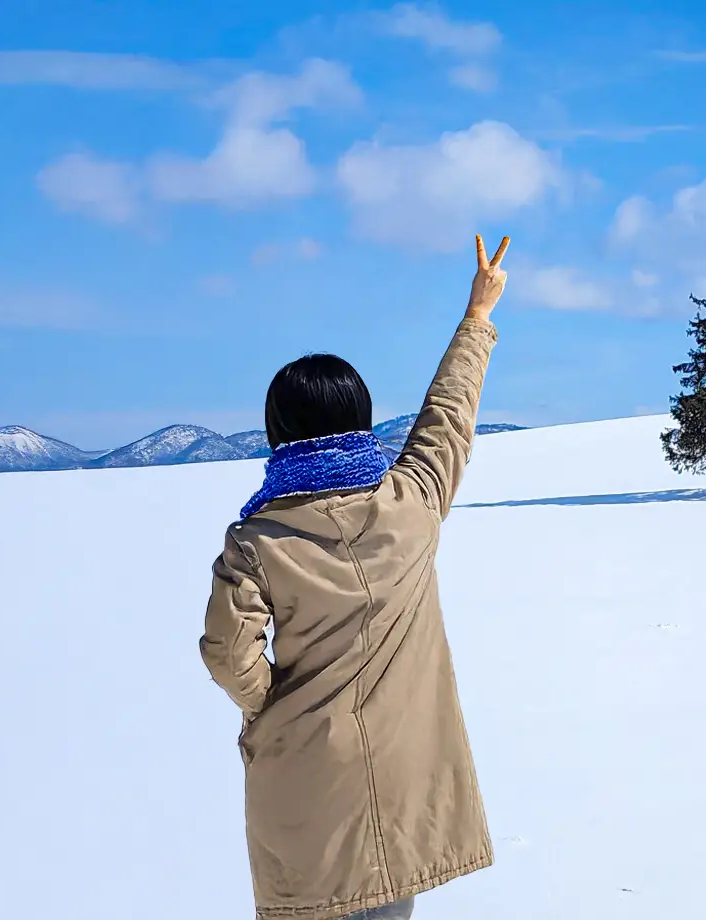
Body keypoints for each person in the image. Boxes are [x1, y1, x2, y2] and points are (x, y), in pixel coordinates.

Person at [199, 235, 511, 920]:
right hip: (404, 783)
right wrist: (477, 317)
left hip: (305, 783)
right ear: (361, 422)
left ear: (278, 433)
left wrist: (270, 704)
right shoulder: (414, 501)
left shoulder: (256, 542)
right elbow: (446, 418)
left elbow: (229, 654)